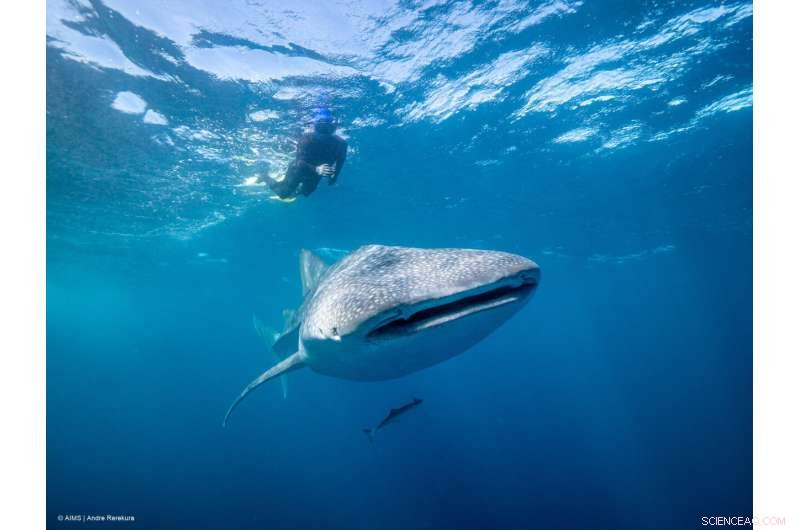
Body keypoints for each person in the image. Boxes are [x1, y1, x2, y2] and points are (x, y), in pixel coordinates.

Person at [264, 107, 347, 200]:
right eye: (321, 130)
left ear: (333, 129)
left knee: (307, 192)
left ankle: (295, 191)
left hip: (317, 171)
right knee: (283, 194)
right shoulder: (306, 139)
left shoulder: (341, 143)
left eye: (326, 131)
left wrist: (335, 175)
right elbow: (299, 163)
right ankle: (264, 176)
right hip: (299, 169)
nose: (324, 135)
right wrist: (317, 169)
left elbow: (341, 160)